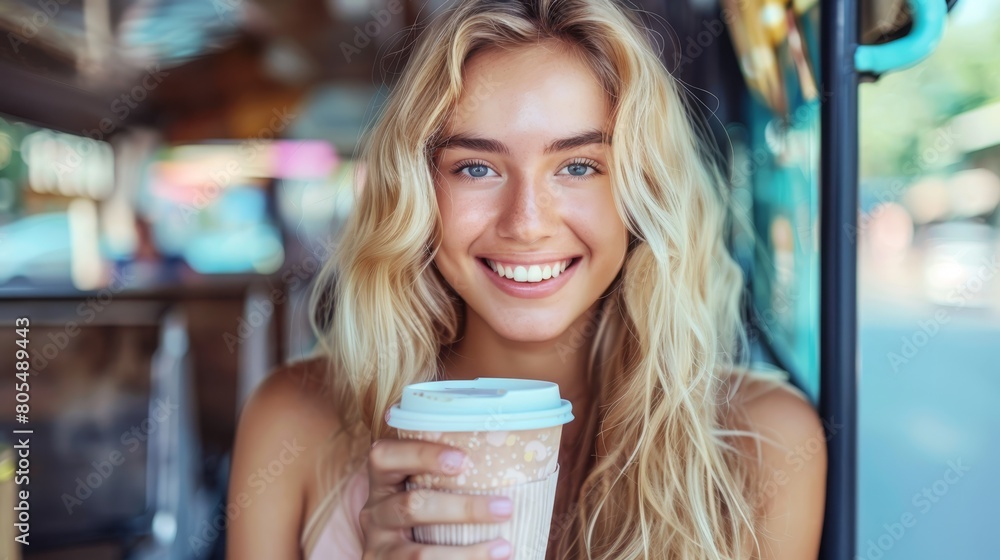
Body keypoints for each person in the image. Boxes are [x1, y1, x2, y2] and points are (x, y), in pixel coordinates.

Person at [226, 0, 827, 558]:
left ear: (642, 191)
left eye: (578, 166)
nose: (526, 224)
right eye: (477, 167)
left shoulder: (763, 440)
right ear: (418, 191)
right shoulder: (293, 422)